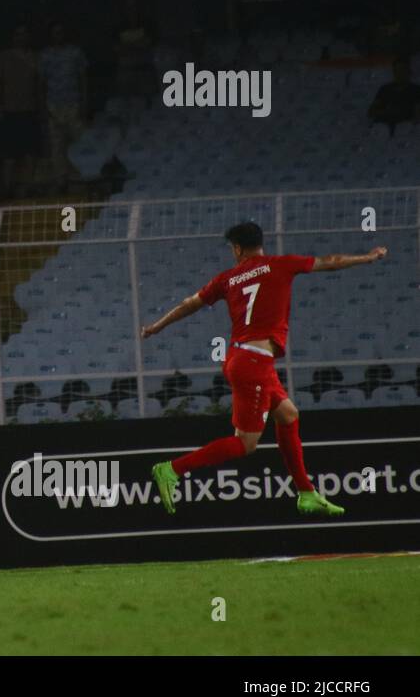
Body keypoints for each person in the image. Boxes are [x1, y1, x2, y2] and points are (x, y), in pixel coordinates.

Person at [141, 222, 388, 518]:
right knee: (246, 444)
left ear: (237, 248)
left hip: (244, 359)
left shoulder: (228, 278)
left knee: (288, 414)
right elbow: (331, 262)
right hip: (253, 362)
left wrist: (157, 326)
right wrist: (367, 257)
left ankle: (306, 493)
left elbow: (188, 304)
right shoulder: (281, 265)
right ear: (260, 243)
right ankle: (171, 470)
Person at [0, 25, 45, 190]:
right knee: (9, 154)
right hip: (10, 111)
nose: (21, 37)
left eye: (24, 34)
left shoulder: (35, 57)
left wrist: (40, 107)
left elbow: (40, 84)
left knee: (30, 152)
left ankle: (28, 186)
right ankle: (7, 188)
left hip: (30, 110)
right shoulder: (4, 57)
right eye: (17, 34)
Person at [39, 21, 88, 178]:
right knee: (57, 145)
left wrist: (84, 103)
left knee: (78, 142)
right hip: (53, 105)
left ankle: (81, 175)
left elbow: (83, 79)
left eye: (60, 32)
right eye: (55, 32)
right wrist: (44, 108)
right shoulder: (45, 55)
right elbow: (41, 83)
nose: (58, 35)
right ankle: (62, 178)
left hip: (73, 103)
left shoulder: (75, 52)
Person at [367, 56, 420, 137]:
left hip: (404, 128)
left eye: (403, 70)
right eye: (397, 70)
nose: (399, 73)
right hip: (383, 127)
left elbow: (417, 114)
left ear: (409, 71)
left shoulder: (416, 90)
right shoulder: (385, 89)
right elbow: (371, 111)